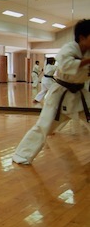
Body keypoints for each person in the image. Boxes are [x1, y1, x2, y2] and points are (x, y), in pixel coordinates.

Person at [12, 19, 90, 165]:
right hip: (60, 96)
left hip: (81, 97)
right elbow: (67, 65)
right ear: (82, 37)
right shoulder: (69, 49)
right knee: (43, 126)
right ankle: (22, 155)